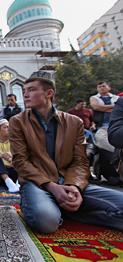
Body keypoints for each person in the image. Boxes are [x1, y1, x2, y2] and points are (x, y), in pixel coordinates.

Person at [9, 71, 123, 234]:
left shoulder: (73, 122)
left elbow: (81, 161)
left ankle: (69, 211)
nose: (25, 95)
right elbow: (20, 161)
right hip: (37, 183)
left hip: (69, 181)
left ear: (49, 93)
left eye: (31, 90)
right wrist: (52, 187)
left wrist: (73, 186)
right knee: (46, 221)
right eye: (24, 91)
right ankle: (60, 208)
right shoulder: (18, 121)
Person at [0, 119, 19, 192]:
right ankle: (9, 182)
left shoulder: (14, 140)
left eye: (9, 127)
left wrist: (12, 156)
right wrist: (4, 156)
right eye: (5, 127)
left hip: (15, 171)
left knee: (23, 155)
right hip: (0, 175)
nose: (9, 129)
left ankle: (19, 182)